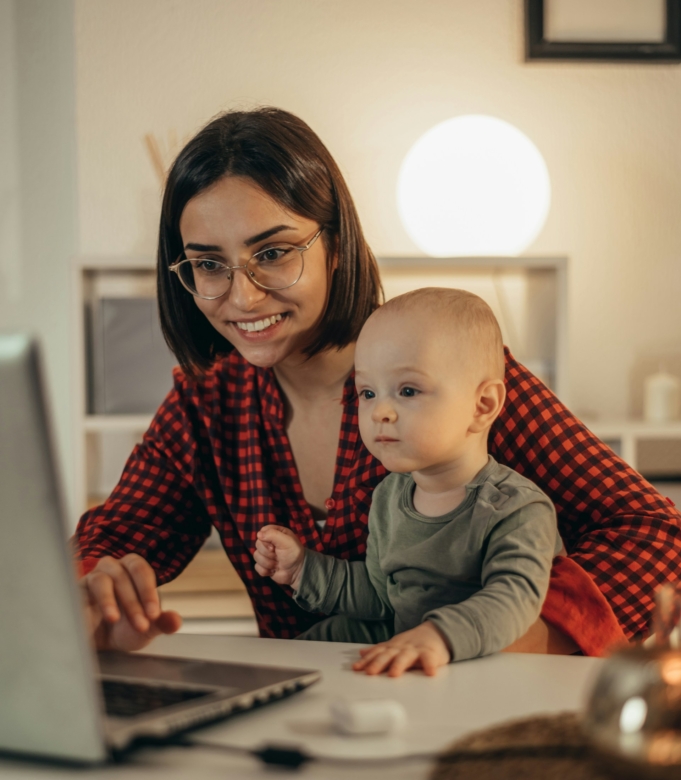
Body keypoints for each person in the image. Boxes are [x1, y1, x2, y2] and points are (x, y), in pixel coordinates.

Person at [75, 106, 681, 656]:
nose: (242, 294)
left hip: (464, 715)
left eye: (274, 253)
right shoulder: (205, 404)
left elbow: (657, 537)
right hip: (310, 726)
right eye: (209, 264)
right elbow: (115, 537)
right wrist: (96, 590)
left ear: (337, 243)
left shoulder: (450, 374)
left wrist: (518, 630)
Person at [254, 288, 561, 676]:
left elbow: (514, 599)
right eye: (367, 392)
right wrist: (302, 569)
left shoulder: (516, 507)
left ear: (482, 405)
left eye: (408, 390)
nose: (380, 411)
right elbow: (382, 597)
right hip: (413, 661)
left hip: (491, 671)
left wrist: (437, 637)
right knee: (310, 646)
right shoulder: (389, 497)